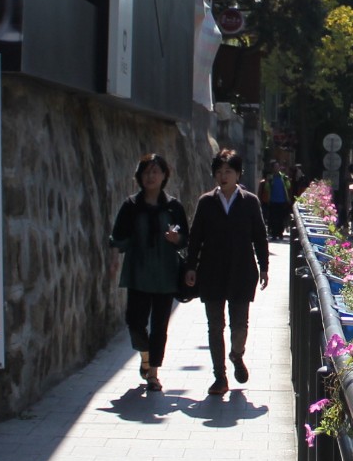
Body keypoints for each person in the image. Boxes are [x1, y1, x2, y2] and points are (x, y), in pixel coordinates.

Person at [185, 150, 270, 396]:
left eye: (228, 171)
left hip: (242, 270)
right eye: (219, 172)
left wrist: (264, 266)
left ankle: (236, 354)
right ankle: (219, 376)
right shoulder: (206, 202)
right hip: (211, 270)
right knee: (215, 325)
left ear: (238, 174)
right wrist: (191, 266)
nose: (223, 176)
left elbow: (259, 236)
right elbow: (195, 237)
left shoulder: (250, 201)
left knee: (239, 325)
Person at [110, 153, 189, 391]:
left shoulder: (173, 207)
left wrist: (176, 239)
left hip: (165, 274)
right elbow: (118, 237)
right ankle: (145, 353)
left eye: (155, 171)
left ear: (164, 175)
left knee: (160, 326)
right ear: (139, 176)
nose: (150, 176)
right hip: (139, 272)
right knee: (135, 322)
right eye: (146, 172)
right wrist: (115, 256)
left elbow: (185, 238)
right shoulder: (131, 206)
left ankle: (153, 373)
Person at [263, 161, 292, 239]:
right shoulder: (271, 177)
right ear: (272, 168)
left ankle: (280, 233)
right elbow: (267, 188)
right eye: (275, 167)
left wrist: (287, 180)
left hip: (282, 201)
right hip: (273, 201)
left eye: (277, 166)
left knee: (281, 218)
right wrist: (268, 181)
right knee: (273, 218)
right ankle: (274, 234)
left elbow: (288, 186)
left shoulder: (283, 177)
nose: (276, 168)